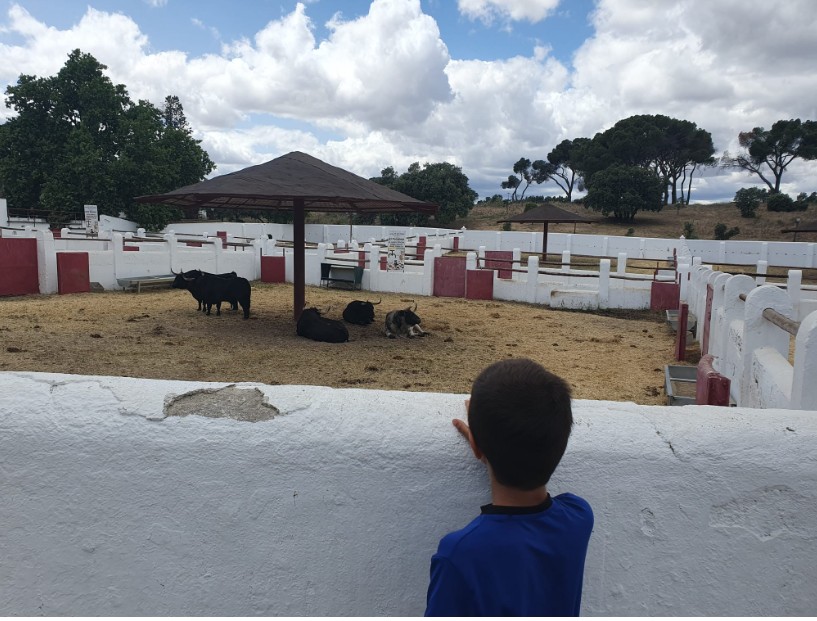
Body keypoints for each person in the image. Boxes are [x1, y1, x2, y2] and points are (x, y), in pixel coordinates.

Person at [424, 358, 594, 617]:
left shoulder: (461, 553)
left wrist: (487, 443)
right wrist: (489, 444)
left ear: (476, 448)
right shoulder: (578, 516)